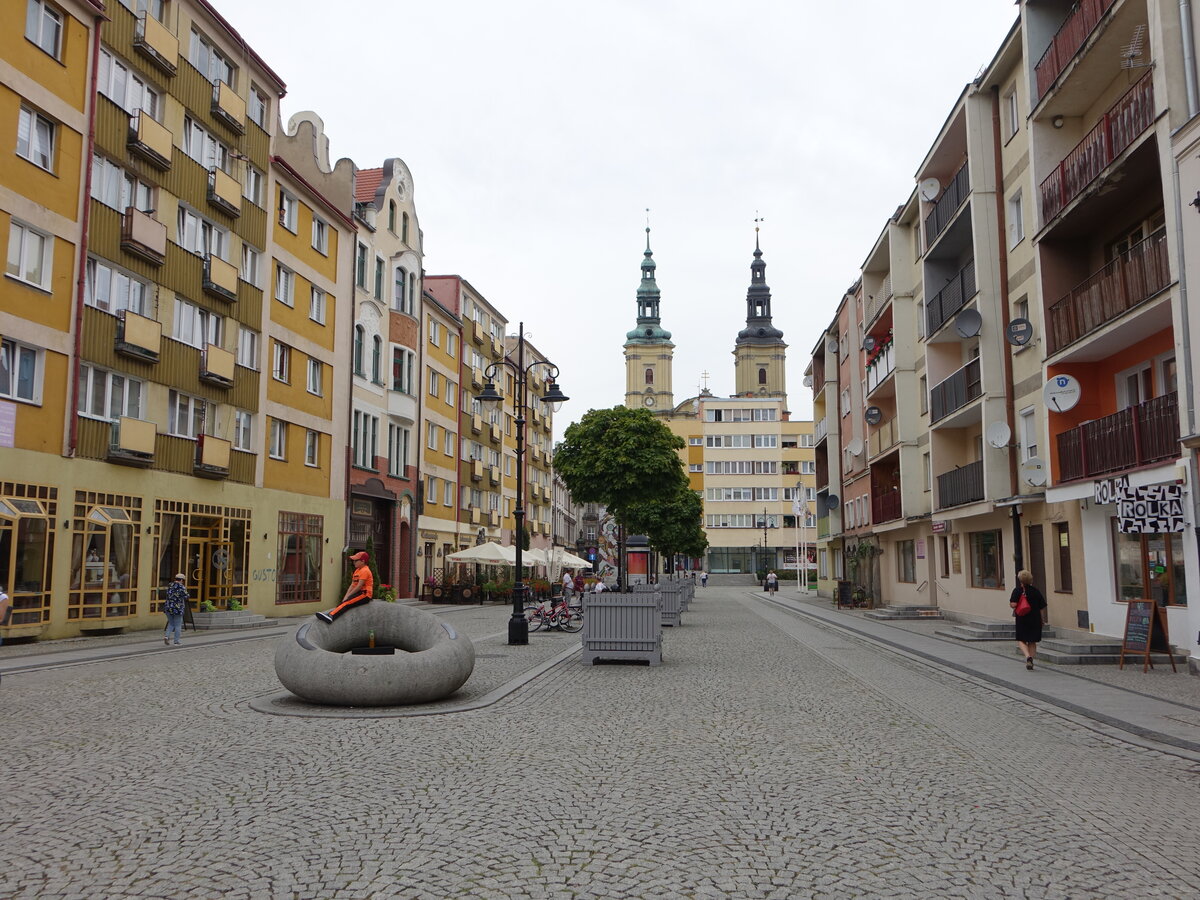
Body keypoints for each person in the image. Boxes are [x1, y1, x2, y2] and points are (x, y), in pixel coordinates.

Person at [316, 551, 374, 623]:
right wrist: (346, 596)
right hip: (360, 593)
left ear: (363, 561)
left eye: (356, 560)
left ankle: (331, 616)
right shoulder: (357, 571)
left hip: (365, 595)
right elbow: (353, 585)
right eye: (353, 560)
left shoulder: (365, 570)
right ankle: (330, 614)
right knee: (345, 601)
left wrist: (349, 596)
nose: (354, 562)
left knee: (347, 603)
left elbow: (359, 586)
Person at [1010, 569, 1048, 670]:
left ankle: (1028, 657)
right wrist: (1042, 619)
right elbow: (1041, 607)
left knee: (1021, 639)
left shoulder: (1017, 591)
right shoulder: (1036, 591)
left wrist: (1016, 604)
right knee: (1032, 641)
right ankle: (1031, 659)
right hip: (1035, 619)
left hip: (1022, 618)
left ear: (1020, 580)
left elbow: (1013, 604)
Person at [163, 574, 188, 646]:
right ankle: (176, 641)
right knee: (178, 625)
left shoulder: (170, 585)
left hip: (168, 607)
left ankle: (166, 636)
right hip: (178, 608)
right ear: (181, 580)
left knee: (171, 623)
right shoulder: (181, 587)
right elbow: (186, 596)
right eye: (183, 581)